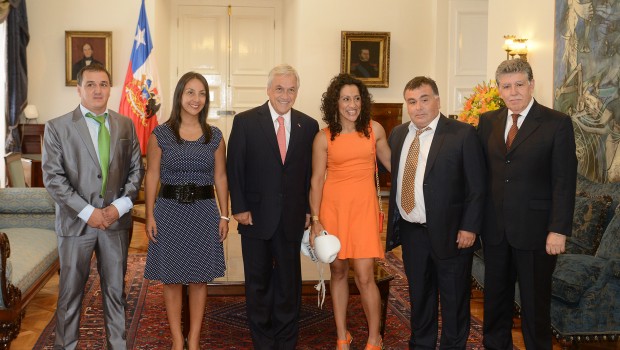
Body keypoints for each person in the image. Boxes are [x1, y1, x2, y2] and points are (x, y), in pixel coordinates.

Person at [42, 64, 144, 350]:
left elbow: (136, 170)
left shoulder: (125, 124)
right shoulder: (57, 127)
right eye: (90, 84)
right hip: (76, 225)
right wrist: (89, 212)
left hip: (116, 224)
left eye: (103, 84)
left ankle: (117, 345)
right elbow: (53, 178)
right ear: (79, 89)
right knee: (70, 294)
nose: (98, 90)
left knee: (116, 292)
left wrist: (119, 207)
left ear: (110, 88)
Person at [478, 59, 577, 350]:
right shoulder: (488, 122)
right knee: (495, 305)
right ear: (499, 90)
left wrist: (558, 229)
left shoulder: (556, 123)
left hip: (537, 233)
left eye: (519, 85)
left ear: (532, 85)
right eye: (506, 87)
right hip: (495, 230)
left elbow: (564, 181)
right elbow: (481, 175)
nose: (514, 92)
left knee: (535, 309)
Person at [385, 76, 486, 349]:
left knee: (454, 298)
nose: (418, 107)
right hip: (412, 231)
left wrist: (470, 227)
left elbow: (477, 187)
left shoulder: (462, 134)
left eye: (424, 99)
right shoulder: (398, 134)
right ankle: (422, 343)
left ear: (438, 100)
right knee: (420, 294)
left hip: (453, 233)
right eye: (412, 101)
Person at [227, 64, 319, 349]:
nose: (285, 95)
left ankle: (286, 339)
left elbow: (309, 174)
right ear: (268, 90)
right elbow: (235, 167)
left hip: (292, 218)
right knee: (258, 282)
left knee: (290, 284)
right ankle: (263, 340)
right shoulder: (245, 121)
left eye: (291, 89)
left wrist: (307, 210)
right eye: (279, 88)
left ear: (297, 92)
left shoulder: (309, 125)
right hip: (254, 217)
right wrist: (239, 208)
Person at [143, 72, 229, 350]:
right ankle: (177, 340)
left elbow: (221, 178)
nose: (196, 99)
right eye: (190, 92)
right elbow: (152, 175)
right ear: (180, 95)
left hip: (204, 213)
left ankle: (193, 339)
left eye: (201, 93)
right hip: (169, 212)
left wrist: (225, 215)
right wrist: (149, 215)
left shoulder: (214, 136)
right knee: (171, 279)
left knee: (199, 279)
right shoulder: (161, 134)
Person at [309, 73, 391, 350]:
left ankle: (373, 338)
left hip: (363, 211)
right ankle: (342, 336)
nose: (352, 104)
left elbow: (395, 165)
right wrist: (316, 220)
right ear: (336, 102)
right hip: (333, 211)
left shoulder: (374, 130)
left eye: (357, 98)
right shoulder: (323, 137)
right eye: (346, 99)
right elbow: (316, 180)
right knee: (339, 272)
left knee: (366, 276)